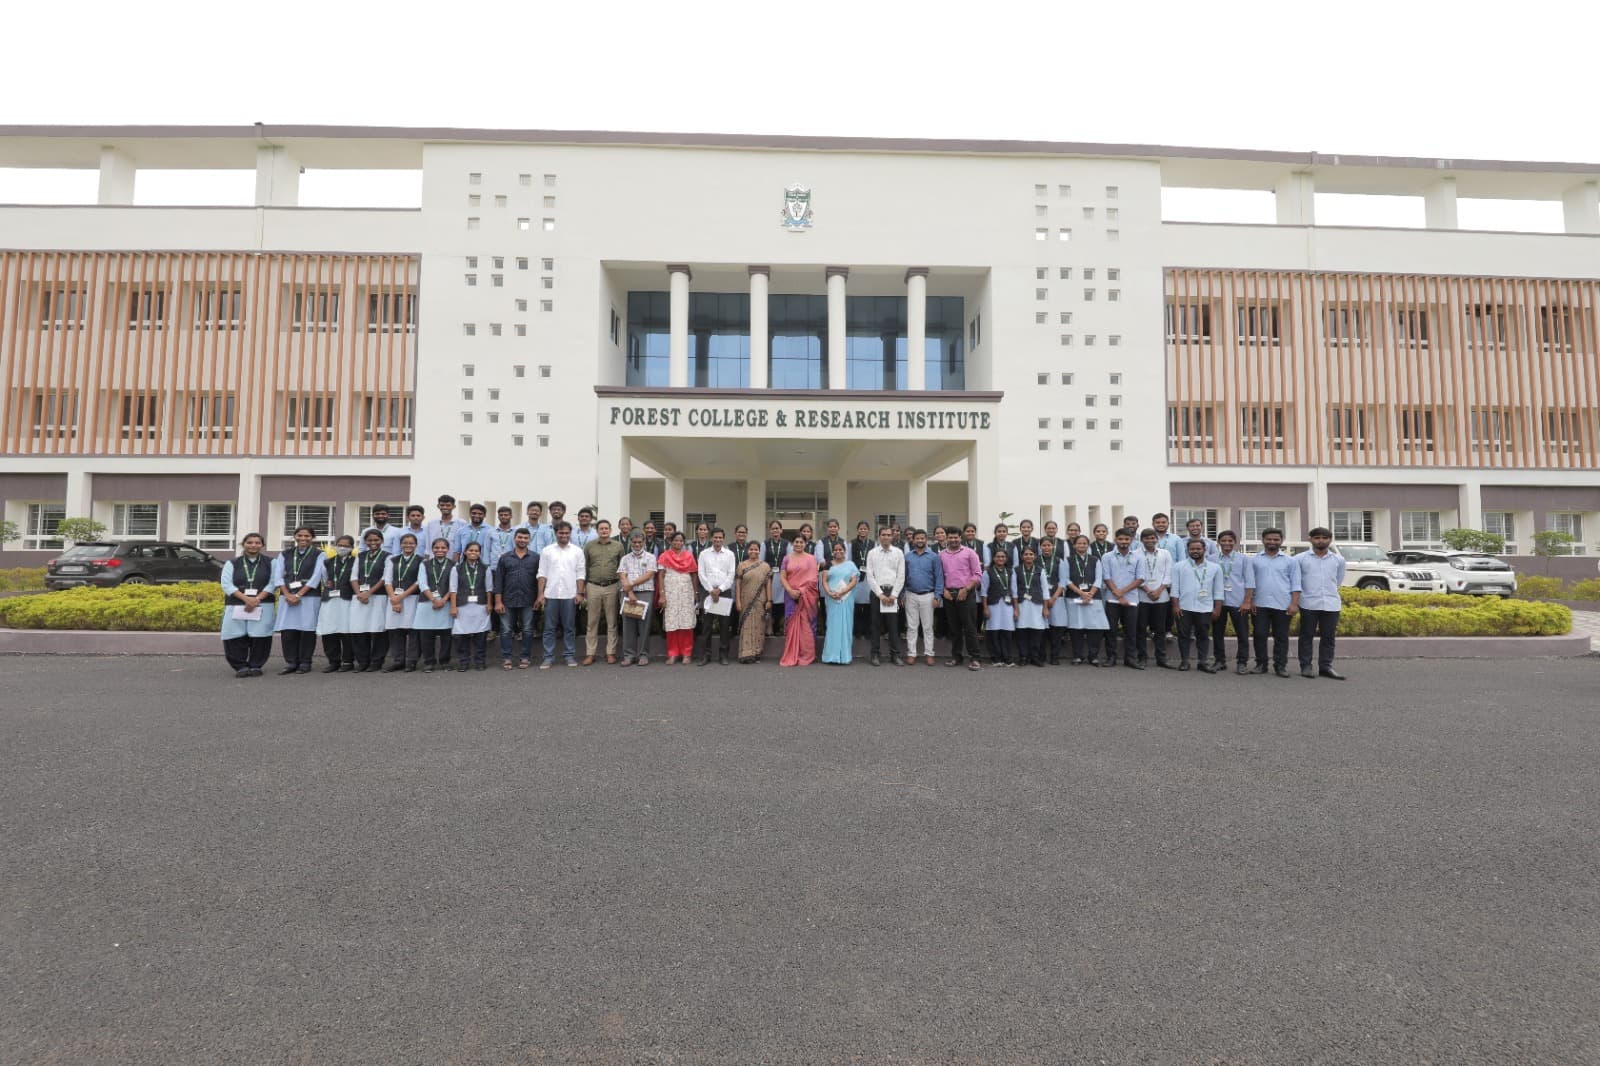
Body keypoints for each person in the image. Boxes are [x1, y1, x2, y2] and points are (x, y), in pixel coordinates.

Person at [1243, 527, 1301, 678]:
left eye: (1276, 539)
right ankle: (1261, 664)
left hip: (1282, 604)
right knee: (1259, 634)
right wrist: (1251, 600)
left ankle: (1280, 666)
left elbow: (1296, 584)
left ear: (1281, 541)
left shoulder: (1290, 561)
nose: (1272, 542)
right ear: (1263, 540)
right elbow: (1250, 582)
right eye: (1269, 539)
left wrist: (1294, 604)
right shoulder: (1254, 560)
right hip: (1260, 604)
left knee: (1281, 636)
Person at [220, 532, 279, 677]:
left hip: (262, 603)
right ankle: (240, 666)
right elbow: (226, 584)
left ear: (262, 545)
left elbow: (273, 583)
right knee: (234, 635)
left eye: (257, 543)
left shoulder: (272, 563)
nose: (253, 545)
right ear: (243, 544)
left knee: (261, 635)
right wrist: (247, 599)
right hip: (237, 604)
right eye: (250, 542)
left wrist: (257, 599)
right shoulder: (232, 563)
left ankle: (255, 665)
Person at [1297, 526, 1348, 680]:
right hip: (1308, 603)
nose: (1321, 541)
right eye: (1317, 538)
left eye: (1325, 538)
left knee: (1329, 637)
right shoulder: (1300, 559)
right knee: (1306, 636)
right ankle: (1305, 666)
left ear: (1330, 540)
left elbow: (1338, 581)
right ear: (1310, 539)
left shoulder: (1338, 560)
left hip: (1331, 603)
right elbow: (1296, 582)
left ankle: (1326, 667)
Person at [273, 525, 324, 674]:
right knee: (288, 631)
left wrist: (299, 594)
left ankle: (305, 662)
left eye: (307, 536)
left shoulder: (319, 555)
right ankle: (291, 662)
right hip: (287, 597)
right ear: (294, 537)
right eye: (300, 535)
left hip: (309, 597)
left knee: (307, 630)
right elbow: (278, 576)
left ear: (312, 538)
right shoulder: (285, 554)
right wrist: (287, 594)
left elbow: (316, 577)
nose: (303, 538)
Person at [536, 521, 586, 668]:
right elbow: (542, 574)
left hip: (570, 595)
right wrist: (540, 594)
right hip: (551, 594)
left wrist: (580, 593)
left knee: (569, 628)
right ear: (555, 533)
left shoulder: (577, 551)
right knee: (549, 628)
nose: (564, 535)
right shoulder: (547, 551)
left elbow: (580, 573)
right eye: (561, 533)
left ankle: (569, 656)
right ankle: (548, 657)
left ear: (570, 534)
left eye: (566, 533)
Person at [1171, 538, 1224, 672]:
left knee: (1203, 635)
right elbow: (1175, 589)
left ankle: (1203, 662)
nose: (1195, 551)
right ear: (1187, 550)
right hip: (1184, 607)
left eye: (1198, 549)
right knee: (1184, 635)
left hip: (1205, 607)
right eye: (1192, 549)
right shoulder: (1179, 566)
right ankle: (1184, 661)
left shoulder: (1215, 568)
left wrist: (1217, 609)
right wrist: (1176, 606)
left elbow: (1218, 591)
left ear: (1204, 550)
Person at [494, 528, 540, 668]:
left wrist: (539, 598)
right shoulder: (505, 558)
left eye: (526, 538)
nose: (522, 540)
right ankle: (507, 658)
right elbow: (499, 581)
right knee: (506, 630)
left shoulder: (536, 558)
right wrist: (498, 601)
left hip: (529, 599)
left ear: (529, 540)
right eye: (520, 537)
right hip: (508, 599)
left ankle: (525, 657)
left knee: (527, 629)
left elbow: (540, 580)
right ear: (514, 538)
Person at [940, 527, 984, 670]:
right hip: (948, 595)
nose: (953, 540)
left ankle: (975, 658)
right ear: (946, 538)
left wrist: (966, 589)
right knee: (954, 629)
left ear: (961, 538)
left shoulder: (970, 553)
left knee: (970, 628)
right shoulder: (941, 555)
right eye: (950, 537)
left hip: (966, 593)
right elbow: (938, 576)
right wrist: (943, 590)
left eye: (956, 537)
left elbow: (977, 574)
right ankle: (956, 657)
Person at [348, 529, 391, 672]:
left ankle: (376, 662)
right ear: (365, 542)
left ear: (381, 541)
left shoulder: (388, 557)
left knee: (378, 630)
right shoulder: (360, 556)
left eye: (376, 540)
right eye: (370, 540)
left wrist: (369, 593)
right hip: (359, 598)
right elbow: (354, 577)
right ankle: (362, 662)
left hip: (378, 597)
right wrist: (360, 593)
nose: (373, 543)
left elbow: (385, 578)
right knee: (359, 629)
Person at [382, 532, 426, 672]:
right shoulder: (392, 560)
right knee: (395, 631)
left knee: (413, 631)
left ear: (416, 545)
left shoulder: (421, 560)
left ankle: (412, 661)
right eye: (405, 543)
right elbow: (387, 580)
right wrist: (394, 599)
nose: (408, 545)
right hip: (393, 598)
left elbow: (419, 582)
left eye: (411, 543)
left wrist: (400, 597)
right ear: (400, 544)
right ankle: (398, 660)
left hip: (412, 598)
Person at [582, 519, 624, 665]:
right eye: (601, 528)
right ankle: (590, 653)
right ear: (597, 530)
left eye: (606, 528)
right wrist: (583, 587)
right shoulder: (589, 546)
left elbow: (621, 567)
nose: (604, 531)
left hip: (612, 586)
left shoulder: (618, 546)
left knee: (611, 621)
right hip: (593, 586)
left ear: (610, 530)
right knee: (592, 621)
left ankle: (611, 652)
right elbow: (585, 567)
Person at [1099, 529, 1143, 668]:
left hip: (1131, 600)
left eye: (1126, 539)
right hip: (1112, 599)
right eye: (1121, 539)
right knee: (1111, 630)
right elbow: (1106, 577)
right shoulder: (1107, 556)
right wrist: (1117, 594)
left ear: (1131, 540)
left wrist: (1122, 593)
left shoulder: (1138, 557)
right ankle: (1111, 657)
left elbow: (1140, 578)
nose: (1124, 542)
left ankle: (1130, 658)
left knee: (1130, 631)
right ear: (1115, 539)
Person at [1212, 531, 1254, 674]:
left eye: (1230, 541)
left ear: (1235, 542)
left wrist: (1247, 601)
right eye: (1223, 541)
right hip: (1218, 602)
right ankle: (1219, 660)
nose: (1227, 543)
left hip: (1238, 602)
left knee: (1242, 634)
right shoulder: (1211, 559)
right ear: (1218, 542)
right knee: (1217, 633)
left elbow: (1250, 582)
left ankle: (1242, 662)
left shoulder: (1243, 559)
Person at [901, 527, 944, 666]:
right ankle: (912, 653)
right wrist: (902, 594)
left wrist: (938, 596)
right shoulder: (907, 557)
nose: (920, 540)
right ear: (913, 540)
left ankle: (929, 654)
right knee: (912, 627)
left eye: (922, 538)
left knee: (928, 626)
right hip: (910, 594)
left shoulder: (933, 557)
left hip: (928, 595)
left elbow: (939, 577)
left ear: (926, 540)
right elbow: (903, 577)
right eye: (917, 538)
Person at [1064, 534, 1109, 665]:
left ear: (1088, 546)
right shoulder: (1068, 560)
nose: (1081, 545)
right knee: (1075, 627)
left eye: (1084, 543)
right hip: (1074, 597)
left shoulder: (1095, 560)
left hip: (1093, 598)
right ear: (1074, 545)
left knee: (1095, 627)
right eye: (1079, 543)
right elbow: (1066, 579)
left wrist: (1090, 594)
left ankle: (1093, 656)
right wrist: (1081, 593)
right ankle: (1077, 656)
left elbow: (1099, 579)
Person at [315, 535, 358, 672]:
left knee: (346, 631)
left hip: (347, 600)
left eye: (346, 546)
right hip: (330, 601)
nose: (342, 548)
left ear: (352, 548)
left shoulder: (357, 562)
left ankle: (347, 661)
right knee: (329, 631)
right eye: (339, 545)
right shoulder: (328, 562)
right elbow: (324, 579)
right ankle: (333, 661)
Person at [864, 526, 905, 667]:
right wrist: (880, 594)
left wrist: (894, 595)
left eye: (889, 534)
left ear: (892, 536)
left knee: (893, 626)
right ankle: (875, 654)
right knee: (875, 625)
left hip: (893, 593)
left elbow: (901, 575)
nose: (886, 537)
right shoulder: (872, 553)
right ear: (879, 536)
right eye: (883, 534)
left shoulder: (898, 553)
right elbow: (870, 575)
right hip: (877, 593)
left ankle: (895, 655)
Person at [1135, 528, 1176, 669]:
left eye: (1152, 538)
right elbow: (1136, 576)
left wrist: (1158, 591)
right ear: (1142, 540)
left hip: (1161, 597)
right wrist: (1147, 590)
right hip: (1142, 597)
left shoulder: (1165, 554)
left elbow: (1169, 574)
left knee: (1160, 629)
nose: (1150, 540)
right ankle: (1142, 658)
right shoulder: (1135, 555)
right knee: (1141, 629)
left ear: (1156, 539)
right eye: (1146, 538)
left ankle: (1161, 658)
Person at [414, 537, 456, 672]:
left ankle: (444, 661)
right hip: (427, 602)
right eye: (437, 548)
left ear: (448, 549)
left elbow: (454, 585)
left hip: (446, 602)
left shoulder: (454, 564)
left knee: (446, 635)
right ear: (432, 549)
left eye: (443, 548)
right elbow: (422, 583)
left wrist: (443, 600)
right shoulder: (424, 564)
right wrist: (433, 599)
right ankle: (429, 662)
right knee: (426, 635)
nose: (440, 550)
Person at [696, 527, 737, 665]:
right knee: (706, 626)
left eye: (720, 538)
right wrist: (711, 590)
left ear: (723, 539)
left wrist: (719, 589)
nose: (717, 540)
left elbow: (731, 575)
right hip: (708, 593)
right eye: (715, 537)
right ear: (711, 538)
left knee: (724, 626)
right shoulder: (704, 554)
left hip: (724, 593)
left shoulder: (730, 554)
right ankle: (706, 655)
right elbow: (701, 574)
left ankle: (723, 654)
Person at [779, 532, 820, 667]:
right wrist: (790, 591)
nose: (798, 544)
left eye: (801, 542)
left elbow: (814, 579)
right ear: (792, 543)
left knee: (806, 626)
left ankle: (807, 655)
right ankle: (792, 653)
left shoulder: (811, 559)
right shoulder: (786, 558)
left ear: (806, 544)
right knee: (792, 625)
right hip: (791, 596)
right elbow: (783, 577)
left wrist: (802, 591)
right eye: (796, 542)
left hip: (806, 597)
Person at [451, 541, 493, 670]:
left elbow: (489, 589)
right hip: (462, 605)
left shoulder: (485, 568)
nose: (473, 553)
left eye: (476, 551)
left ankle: (480, 661)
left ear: (480, 553)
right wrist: (453, 606)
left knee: (480, 635)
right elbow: (453, 589)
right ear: (465, 552)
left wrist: (489, 603)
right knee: (462, 635)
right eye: (471, 550)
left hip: (480, 605)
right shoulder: (456, 568)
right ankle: (464, 662)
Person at [658, 531, 699, 665]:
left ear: (683, 542)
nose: (678, 543)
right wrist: (662, 594)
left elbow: (693, 575)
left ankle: (687, 653)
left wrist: (695, 592)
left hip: (686, 592)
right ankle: (673, 653)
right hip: (671, 592)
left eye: (681, 541)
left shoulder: (689, 556)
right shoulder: (664, 556)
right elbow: (661, 575)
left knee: (686, 623)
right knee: (672, 623)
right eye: (675, 540)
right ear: (671, 541)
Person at [618, 532, 658, 666]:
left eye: (639, 542)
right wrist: (629, 592)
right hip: (628, 594)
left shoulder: (651, 557)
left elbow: (649, 575)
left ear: (644, 542)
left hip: (645, 593)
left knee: (644, 626)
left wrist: (632, 584)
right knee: (628, 624)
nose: (637, 545)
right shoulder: (625, 558)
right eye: (634, 542)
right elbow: (623, 576)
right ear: (630, 542)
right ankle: (629, 655)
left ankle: (643, 655)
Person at [821, 542, 859, 664]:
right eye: (836, 550)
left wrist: (843, 592)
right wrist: (829, 593)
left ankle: (844, 656)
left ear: (845, 550)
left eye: (840, 549)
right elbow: (824, 581)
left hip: (846, 598)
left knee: (846, 625)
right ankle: (831, 656)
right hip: (832, 599)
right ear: (833, 552)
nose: (838, 551)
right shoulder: (828, 564)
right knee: (832, 626)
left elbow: (854, 581)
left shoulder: (851, 564)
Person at [735, 540, 772, 664]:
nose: (753, 551)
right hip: (746, 600)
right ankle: (745, 654)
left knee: (759, 627)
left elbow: (768, 584)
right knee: (746, 626)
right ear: (747, 550)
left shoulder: (765, 566)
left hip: (760, 600)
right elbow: (738, 585)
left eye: (756, 549)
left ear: (759, 551)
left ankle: (756, 653)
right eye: (751, 549)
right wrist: (738, 602)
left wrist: (769, 600)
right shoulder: (742, 565)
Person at [1013, 545, 1049, 667]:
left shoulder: (1040, 570)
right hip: (1022, 605)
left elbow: (1045, 589)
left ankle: (1035, 656)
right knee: (1021, 631)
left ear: (1035, 556)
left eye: (1031, 554)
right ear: (1022, 556)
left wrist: (1045, 607)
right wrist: (1016, 608)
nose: (1028, 556)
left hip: (1037, 605)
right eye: (1026, 554)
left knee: (1036, 631)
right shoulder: (1016, 570)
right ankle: (1023, 656)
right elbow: (1013, 590)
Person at [981, 546, 1016, 666]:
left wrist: (1016, 609)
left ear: (1006, 559)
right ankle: (995, 657)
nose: (1000, 558)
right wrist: (985, 607)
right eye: (998, 556)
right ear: (993, 558)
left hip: (1007, 606)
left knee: (1007, 632)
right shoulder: (987, 572)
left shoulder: (1011, 572)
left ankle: (1007, 657)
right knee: (994, 632)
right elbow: (984, 592)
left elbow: (1015, 591)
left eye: (1003, 556)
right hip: (993, 605)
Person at [1041, 538, 1069, 664]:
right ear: (1040, 547)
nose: (1046, 548)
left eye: (1049, 545)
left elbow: (1063, 582)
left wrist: (1053, 598)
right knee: (1042, 629)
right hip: (1040, 599)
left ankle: (1055, 656)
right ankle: (1041, 656)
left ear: (1052, 547)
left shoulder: (1059, 561)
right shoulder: (1036, 561)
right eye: (1044, 545)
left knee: (1056, 629)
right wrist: (1045, 600)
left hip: (1056, 597)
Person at [763, 520, 788, 637]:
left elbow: (789, 560)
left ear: (781, 530)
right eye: (773, 529)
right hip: (769, 577)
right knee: (769, 602)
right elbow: (762, 562)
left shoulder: (787, 544)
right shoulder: (765, 544)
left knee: (782, 603)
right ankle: (769, 628)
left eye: (777, 528)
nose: (775, 531)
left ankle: (782, 627)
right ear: (770, 531)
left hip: (783, 577)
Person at [849, 519, 874, 637]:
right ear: (857, 530)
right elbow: (849, 560)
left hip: (869, 577)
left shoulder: (873, 544)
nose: (863, 530)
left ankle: (868, 631)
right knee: (857, 606)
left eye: (865, 529)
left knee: (869, 606)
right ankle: (858, 631)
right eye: (861, 529)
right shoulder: (852, 543)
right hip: (856, 577)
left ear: (868, 530)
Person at [452, 503, 494, 567]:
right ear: (470, 514)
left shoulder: (491, 531)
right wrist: (455, 567)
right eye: (474, 513)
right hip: (464, 566)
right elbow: (457, 552)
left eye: (480, 514)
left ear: (484, 515)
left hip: (483, 566)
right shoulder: (461, 530)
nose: (476, 515)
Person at [425, 495, 460, 561]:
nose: (445, 507)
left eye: (448, 505)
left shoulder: (461, 523)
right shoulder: (431, 524)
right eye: (442, 505)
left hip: (453, 562)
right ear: (438, 506)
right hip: (434, 562)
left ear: (454, 506)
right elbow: (428, 546)